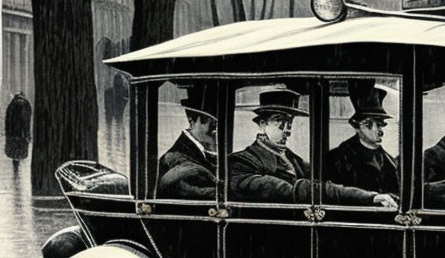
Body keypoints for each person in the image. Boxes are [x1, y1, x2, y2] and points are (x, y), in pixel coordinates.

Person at [230, 89, 396, 208]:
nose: (287, 128)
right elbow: (299, 190)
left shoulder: (295, 160)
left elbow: (326, 187)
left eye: (290, 122)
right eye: (278, 121)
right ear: (262, 124)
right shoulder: (242, 162)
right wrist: (369, 197)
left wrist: (372, 197)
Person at [326, 81, 399, 194]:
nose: (379, 131)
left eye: (380, 124)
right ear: (357, 126)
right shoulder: (337, 159)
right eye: (370, 124)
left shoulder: (390, 161)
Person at [157, 86, 218, 199]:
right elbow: (185, 191)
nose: (216, 127)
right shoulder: (173, 158)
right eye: (208, 118)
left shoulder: (208, 153)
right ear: (192, 122)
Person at [4, 91, 32, 165]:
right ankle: (18, 161)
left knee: (14, 149)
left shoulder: (11, 104)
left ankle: (15, 161)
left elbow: (8, 119)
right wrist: (27, 133)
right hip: (22, 131)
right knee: (20, 148)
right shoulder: (26, 104)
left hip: (13, 131)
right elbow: (27, 119)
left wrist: (7, 132)